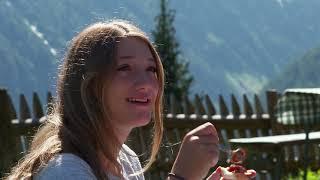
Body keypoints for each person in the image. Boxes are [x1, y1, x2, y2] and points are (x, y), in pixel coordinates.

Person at [6, 20, 255, 180]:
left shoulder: (126, 160)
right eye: (125, 68)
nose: (146, 83)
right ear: (90, 85)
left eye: (151, 69)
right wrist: (181, 178)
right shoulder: (66, 172)